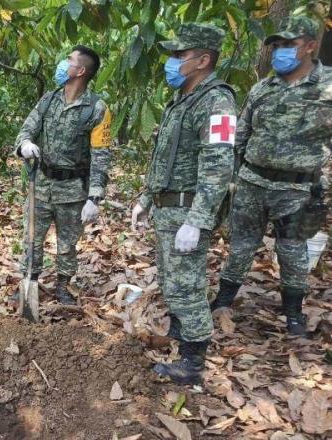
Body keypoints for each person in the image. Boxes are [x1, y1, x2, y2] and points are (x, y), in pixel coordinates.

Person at [212, 16, 332, 337]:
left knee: (292, 252)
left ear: (310, 46)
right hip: (252, 183)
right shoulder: (262, 88)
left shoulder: (327, 86)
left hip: (297, 188)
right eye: (276, 46)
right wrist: (230, 177)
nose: (280, 52)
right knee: (240, 247)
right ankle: (223, 300)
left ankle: (293, 315)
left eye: (288, 46)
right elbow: (241, 135)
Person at [131, 23, 236, 385]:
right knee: (171, 280)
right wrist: (146, 199)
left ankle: (192, 363)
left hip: (188, 211)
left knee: (186, 286)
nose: (171, 62)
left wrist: (198, 219)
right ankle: (180, 338)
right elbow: (164, 159)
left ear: (203, 59)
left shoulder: (217, 101)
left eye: (179, 55)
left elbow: (219, 165)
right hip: (168, 208)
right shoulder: (181, 101)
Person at [13, 45, 113, 305]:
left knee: (67, 244)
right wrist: (24, 144)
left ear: (80, 71)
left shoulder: (97, 109)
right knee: (32, 237)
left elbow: (101, 155)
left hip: (72, 189)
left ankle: (62, 285)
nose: (62, 63)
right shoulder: (48, 99)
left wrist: (95, 197)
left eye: (68, 59)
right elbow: (27, 128)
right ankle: (29, 284)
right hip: (41, 183)